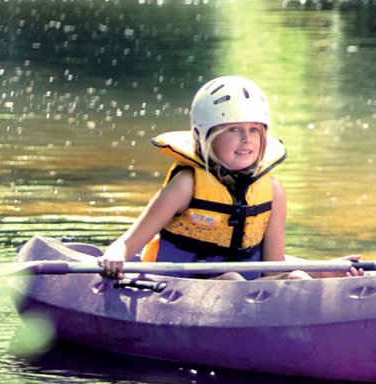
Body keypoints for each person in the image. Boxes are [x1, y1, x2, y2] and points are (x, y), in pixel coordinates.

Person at [98, 76, 309, 280]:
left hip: (250, 293)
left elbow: (272, 272)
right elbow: (125, 245)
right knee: (231, 279)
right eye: (234, 130)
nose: (247, 139)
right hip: (179, 287)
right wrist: (114, 256)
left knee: (297, 277)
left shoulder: (273, 192)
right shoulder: (186, 185)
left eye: (254, 130)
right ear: (204, 136)